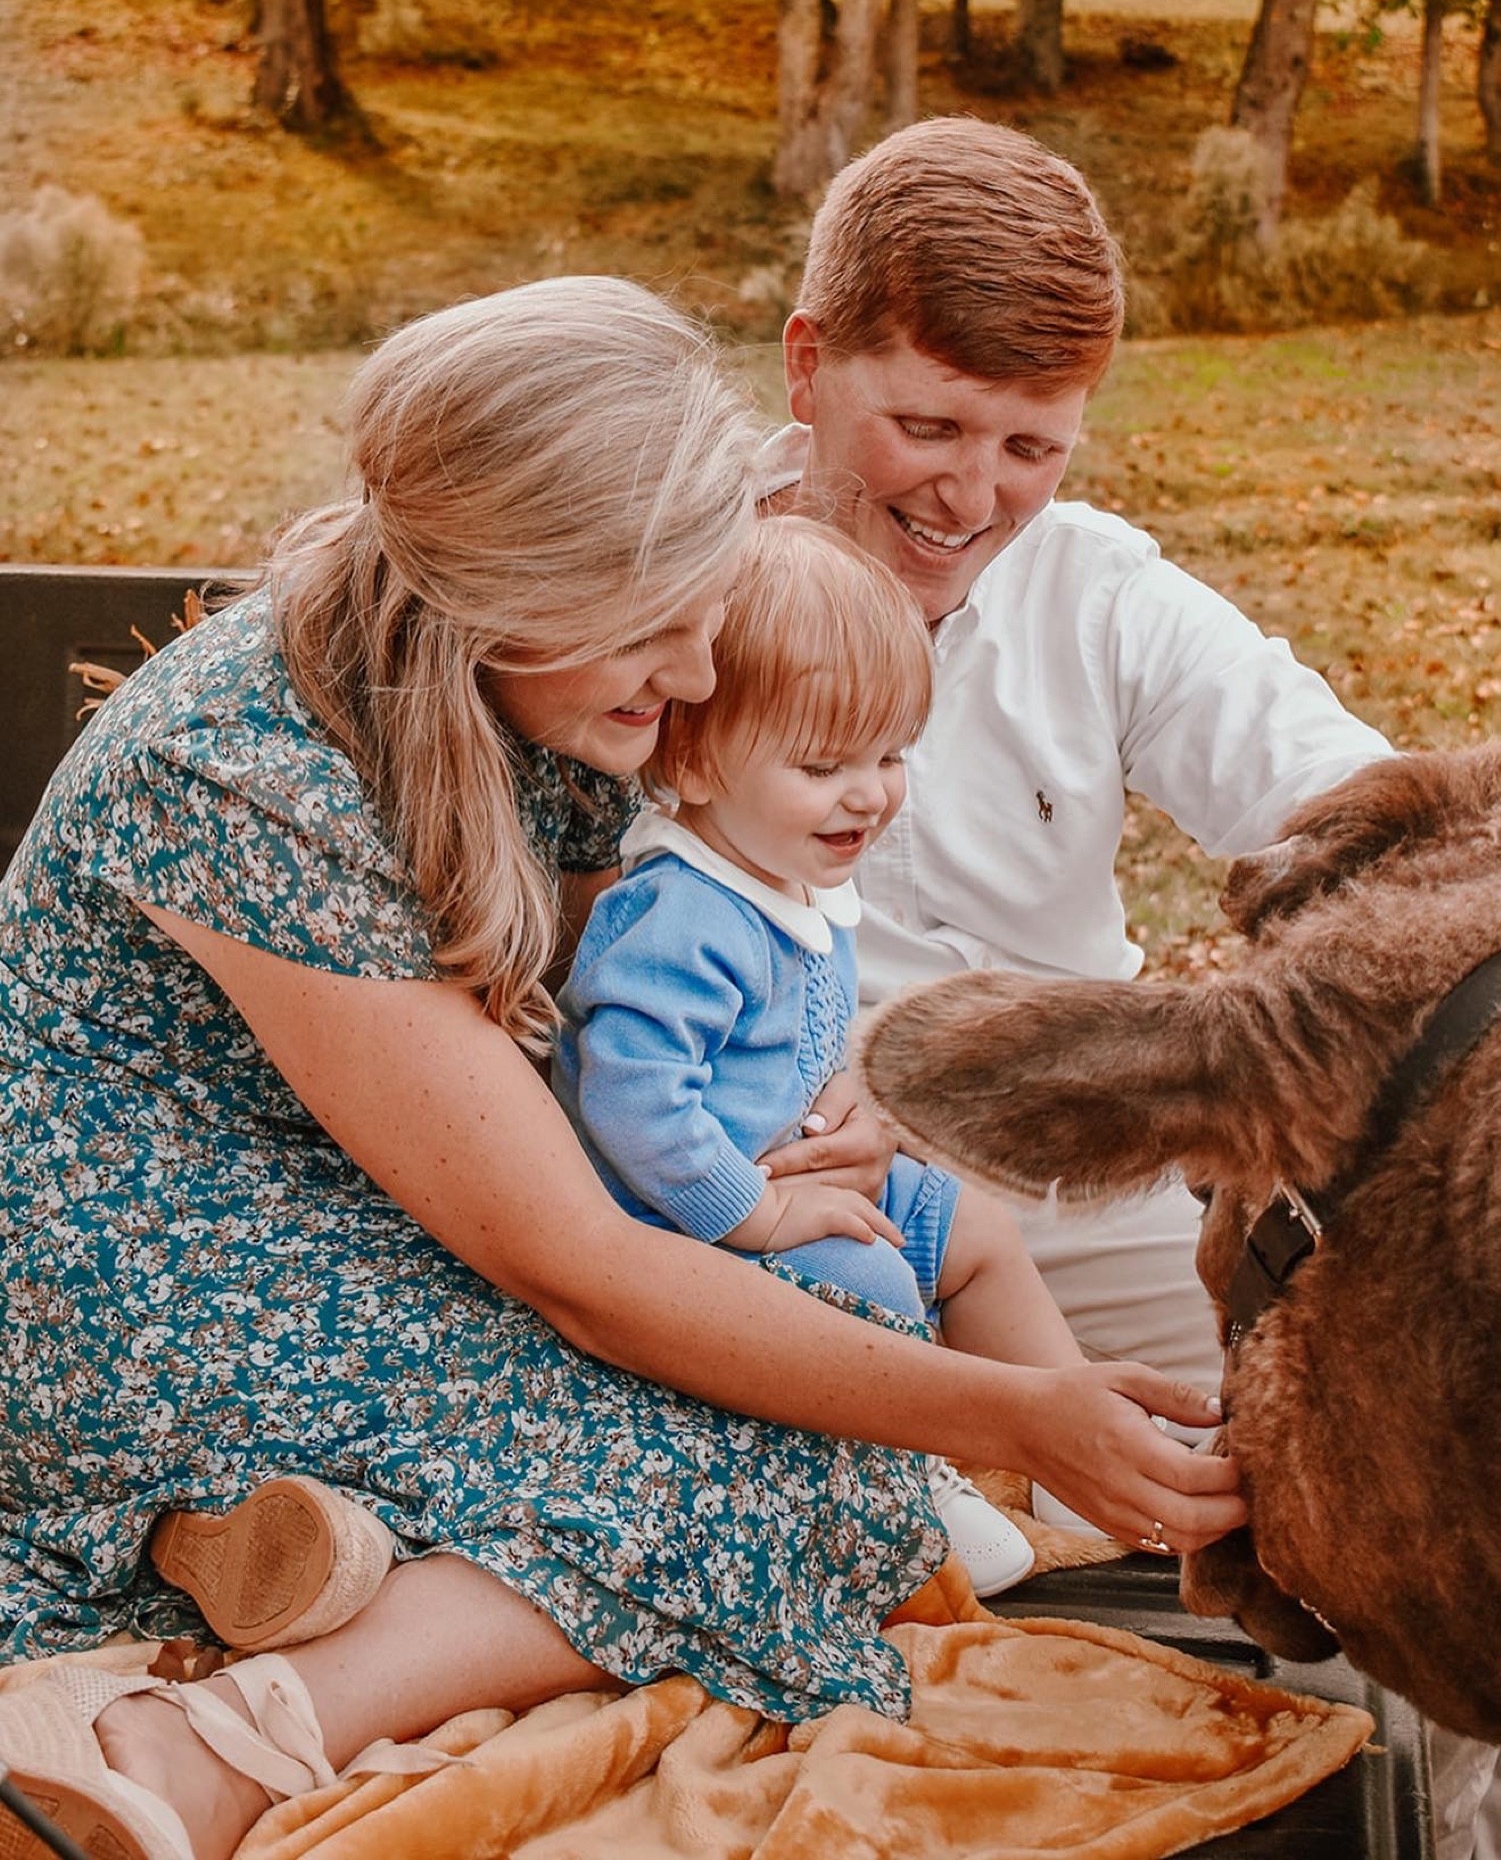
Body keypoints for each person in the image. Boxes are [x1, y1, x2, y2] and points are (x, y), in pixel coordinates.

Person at [0, 275, 1244, 1860]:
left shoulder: (528, 690)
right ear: (507, 587)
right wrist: (1014, 1415)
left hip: (359, 1226)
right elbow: (579, 1266)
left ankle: (295, 1555)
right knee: (787, 1462)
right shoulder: (247, 781)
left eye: (701, 604)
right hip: (148, 1287)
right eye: (655, 624)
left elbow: (651, 1015)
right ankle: (186, 1745)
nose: (702, 669)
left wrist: (829, 1097)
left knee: (801, 1386)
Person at [756, 119, 1501, 1859]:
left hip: (1062, 1158)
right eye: (921, 423)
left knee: (1439, 1430)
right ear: (805, 363)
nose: (966, 489)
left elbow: (1372, 827)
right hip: (734, 1186)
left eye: (1027, 445)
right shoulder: (650, 568)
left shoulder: (1095, 593)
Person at [555, 514, 1085, 1595]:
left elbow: (800, 1028)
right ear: (693, 757)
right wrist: (758, 1212)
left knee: (969, 1223)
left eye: (890, 754)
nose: (869, 791)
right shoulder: (680, 915)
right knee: (869, 1276)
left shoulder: (784, 870)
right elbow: (633, 1100)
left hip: (790, 1169)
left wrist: (841, 1088)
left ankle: (1073, 1435)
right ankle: (906, 1482)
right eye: (822, 762)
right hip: (686, 1221)